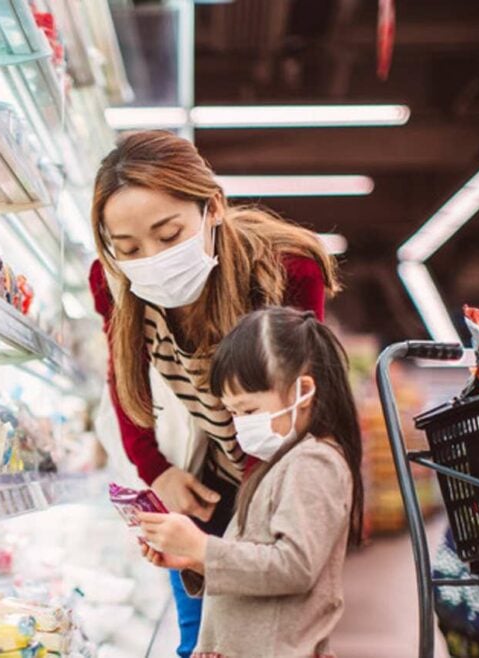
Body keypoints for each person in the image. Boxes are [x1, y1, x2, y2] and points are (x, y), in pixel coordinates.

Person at [88, 130, 339, 655]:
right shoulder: (111, 281)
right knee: (198, 640)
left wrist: (237, 543)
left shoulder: (286, 269)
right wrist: (156, 470)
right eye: (129, 247)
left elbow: (295, 407)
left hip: (272, 472)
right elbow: (125, 381)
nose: (150, 258)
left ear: (214, 207)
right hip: (210, 479)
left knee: (263, 633)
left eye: (170, 233)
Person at [136, 307, 365, 658]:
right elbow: (262, 564)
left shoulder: (314, 462)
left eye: (249, 411)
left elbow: (294, 566)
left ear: (303, 391)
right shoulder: (284, 462)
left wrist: (202, 547)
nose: (240, 424)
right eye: (233, 412)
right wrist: (194, 561)